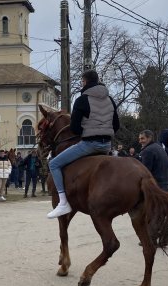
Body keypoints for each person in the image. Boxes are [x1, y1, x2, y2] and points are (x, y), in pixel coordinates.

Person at [47, 69, 120, 218]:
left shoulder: (82, 100)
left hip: (89, 144)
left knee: (54, 164)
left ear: (85, 82)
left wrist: (86, 132)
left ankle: (62, 202)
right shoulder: (110, 99)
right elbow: (116, 125)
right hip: (107, 146)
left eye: (82, 82)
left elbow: (74, 128)